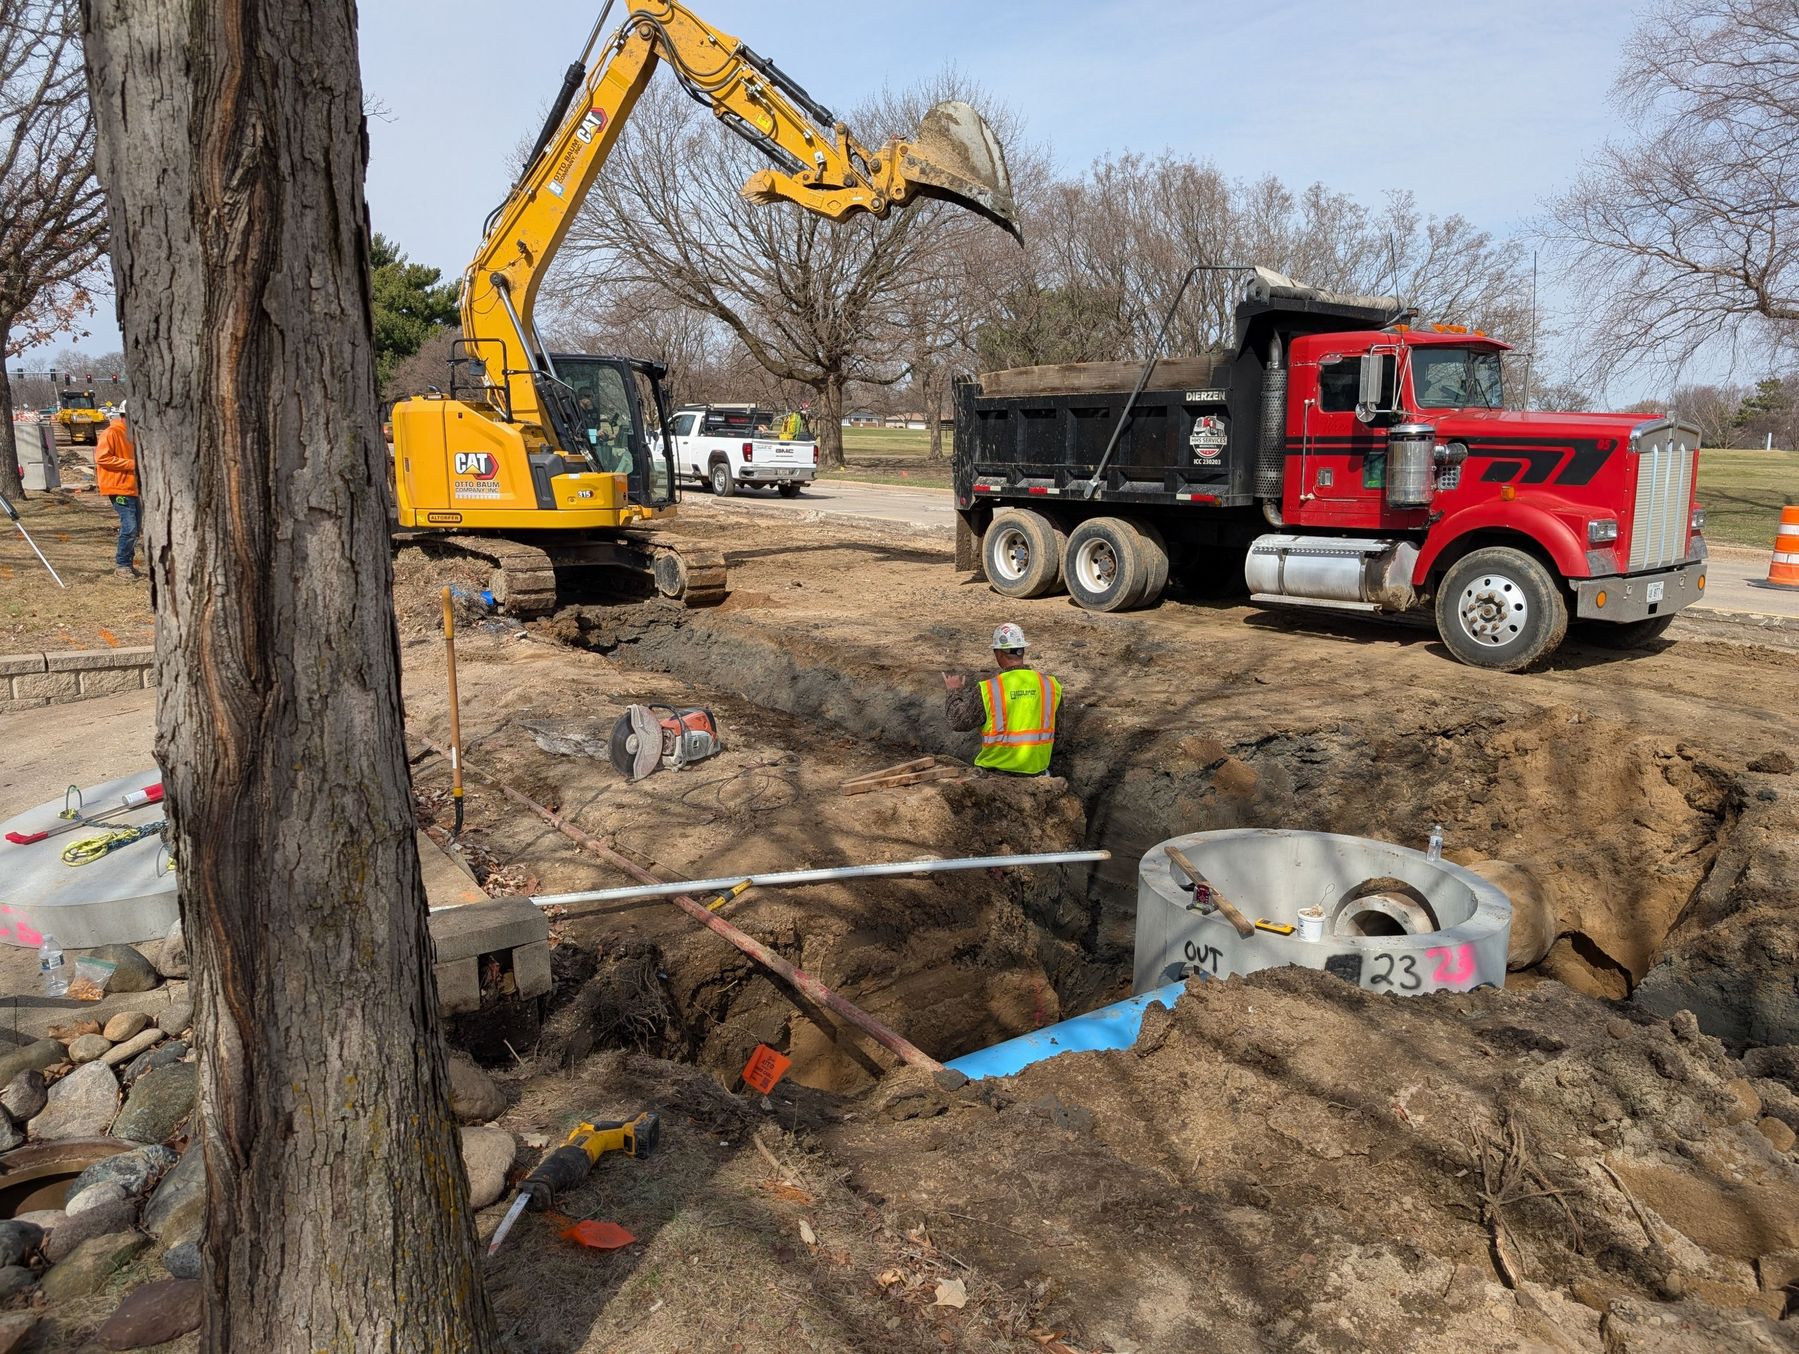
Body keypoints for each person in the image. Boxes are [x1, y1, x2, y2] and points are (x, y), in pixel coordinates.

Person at [943, 622, 1062, 775]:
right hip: (1037, 774)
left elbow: (958, 722)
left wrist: (954, 691)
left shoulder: (989, 689)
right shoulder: (1051, 685)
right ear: (1022, 651)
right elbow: (1058, 737)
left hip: (995, 777)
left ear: (998, 653)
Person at [94, 401, 140, 580]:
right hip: (118, 488)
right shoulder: (112, 433)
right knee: (130, 527)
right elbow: (102, 458)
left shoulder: (133, 435)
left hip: (132, 488)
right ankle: (122, 565)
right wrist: (132, 465)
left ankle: (128, 563)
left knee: (136, 528)